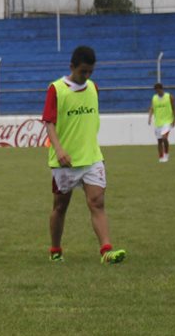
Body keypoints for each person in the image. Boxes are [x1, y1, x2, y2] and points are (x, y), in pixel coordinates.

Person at [42, 45, 127, 265]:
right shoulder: (56, 89)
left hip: (92, 157)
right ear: (72, 67)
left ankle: (106, 251)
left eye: (90, 72)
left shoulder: (93, 88)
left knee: (97, 202)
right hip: (65, 161)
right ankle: (55, 249)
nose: (87, 76)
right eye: (83, 72)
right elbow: (49, 122)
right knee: (60, 207)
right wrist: (59, 149)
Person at [147, 82, 175, 162]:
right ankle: (161, 157)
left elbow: (174, 109)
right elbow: (151, 108)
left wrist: (174, 120)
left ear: (161, 89)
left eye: (157, 90)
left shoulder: (169, 96)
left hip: (167, 121)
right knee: (159, 141)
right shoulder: (154, 98)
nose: (156, 92)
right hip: (158, 122)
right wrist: (149, 117)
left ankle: (166, 154)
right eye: (155, 91)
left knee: (164, 138)